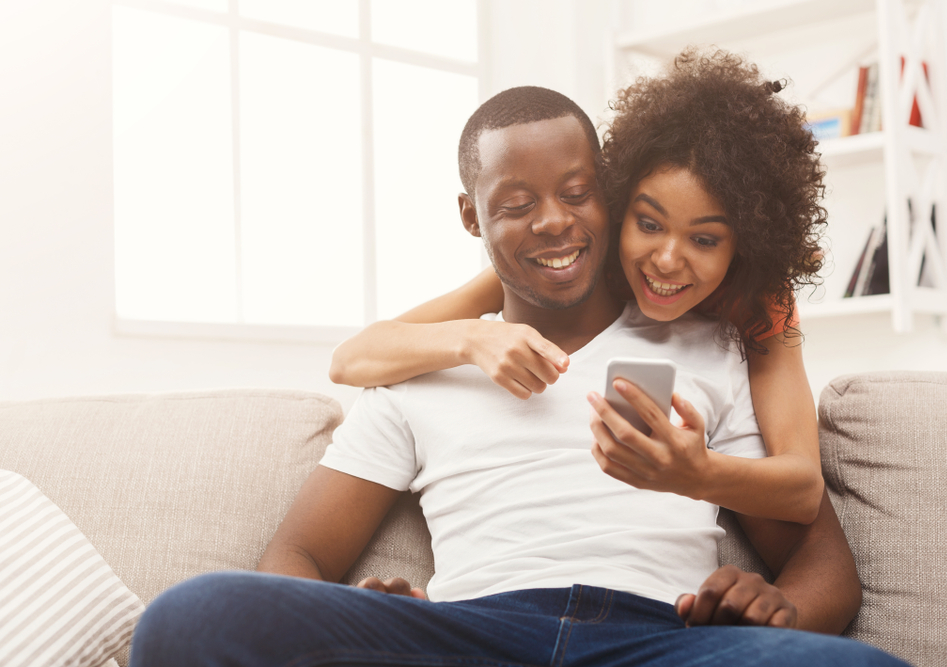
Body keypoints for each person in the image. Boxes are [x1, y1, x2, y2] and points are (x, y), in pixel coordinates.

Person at [129, 65, 907, 667]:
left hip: (654, 639)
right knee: (189, 616)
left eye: (577, 193)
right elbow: (295, 555)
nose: (554, 222)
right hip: (472, 633)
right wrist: (381, 617)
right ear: (472, 216)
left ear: (606, 190)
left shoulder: (711, 340)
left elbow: (824, 563)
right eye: (516, 204)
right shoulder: (421, 366)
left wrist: (773, 609)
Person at [327, 51, 826, 526]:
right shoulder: (583, 259)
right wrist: (473, 338)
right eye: (649, 224)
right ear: (618, 202)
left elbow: (803, 489)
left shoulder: (764, 302)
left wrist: (697, 473)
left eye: (704, 238)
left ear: (747, 242)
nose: (668, 259)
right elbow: (351, 359)